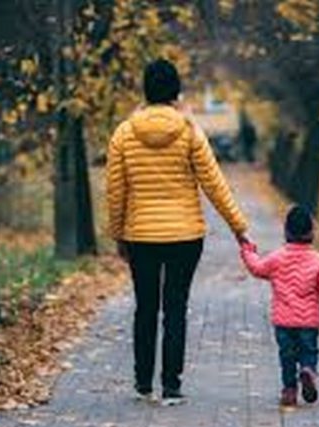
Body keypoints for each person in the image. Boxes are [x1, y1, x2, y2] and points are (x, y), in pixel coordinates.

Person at [106, 59, 249, 405]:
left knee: (145, 308)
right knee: (175, 308)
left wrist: (118, 235)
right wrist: (239, 228)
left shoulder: (124, 133)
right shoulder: (190, 131)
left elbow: (115, 191)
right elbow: (215, 185)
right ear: (176, 91)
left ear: (145, 89)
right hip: (185, 237)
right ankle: (171, 386)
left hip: (140, 236)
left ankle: (142, 384)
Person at [239, 205, 319, 407]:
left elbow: (257, 268)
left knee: (287, 356)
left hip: (283, 321)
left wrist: (248, 251)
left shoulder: (277, 258)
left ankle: (289, 391)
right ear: (311, 233)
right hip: (309, 322)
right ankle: (308, 370)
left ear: (286, 232)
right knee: (309, 351)